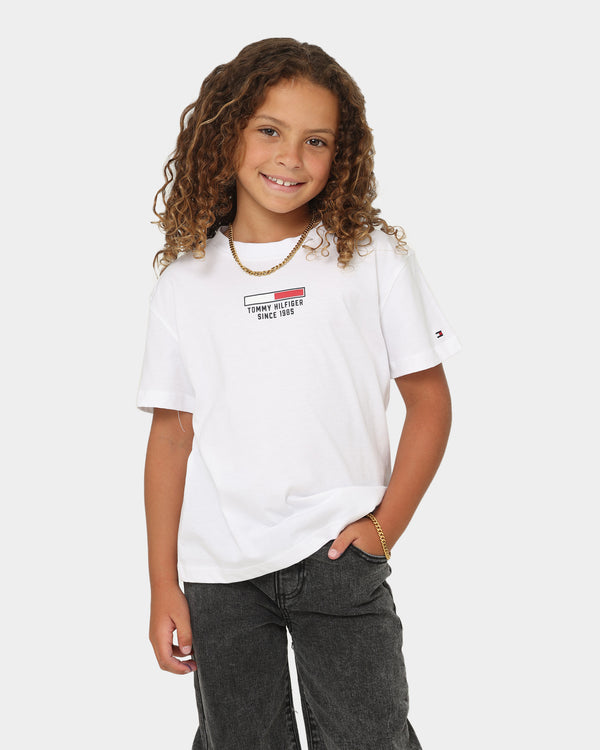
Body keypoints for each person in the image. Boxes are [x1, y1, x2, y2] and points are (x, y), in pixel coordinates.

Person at [137, 37, 460, 750]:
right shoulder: (184, 283)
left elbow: (430, 404)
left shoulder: (368, 257)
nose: (291, 157)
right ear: (225, 136)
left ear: (340, 155)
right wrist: (164, 584)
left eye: (316, 140)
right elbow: (170, 438)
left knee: (370, 736)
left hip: (339, 557)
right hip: (220, 572)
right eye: (269, 131)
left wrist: (383, 530)